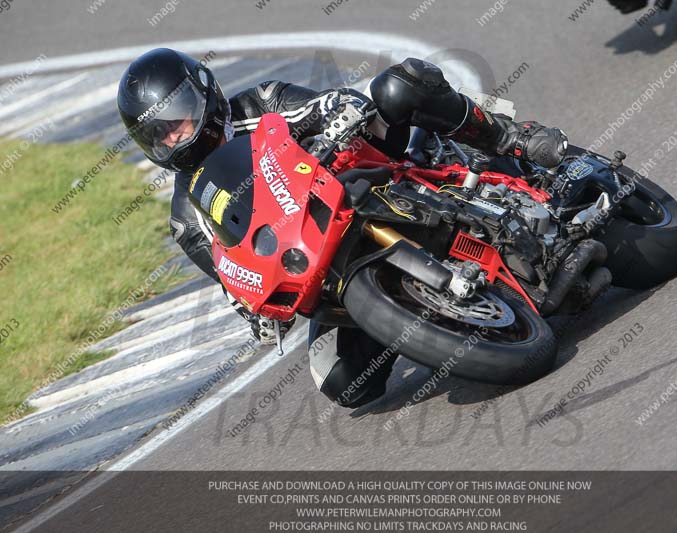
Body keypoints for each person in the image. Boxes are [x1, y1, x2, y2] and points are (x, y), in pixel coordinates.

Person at [117, 48, 568, 408]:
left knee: (396, 86)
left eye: (176, 122)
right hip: (322, 265)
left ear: (203, 96)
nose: (173, 138)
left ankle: (511, 138)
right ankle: (424, 314)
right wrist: (252, 307)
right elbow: (232, 273)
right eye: (159, 133)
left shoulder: (262, 102)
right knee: (343, 383)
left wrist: (340, 112)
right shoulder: (185, 215)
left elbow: (330, 103)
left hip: (366, 181)